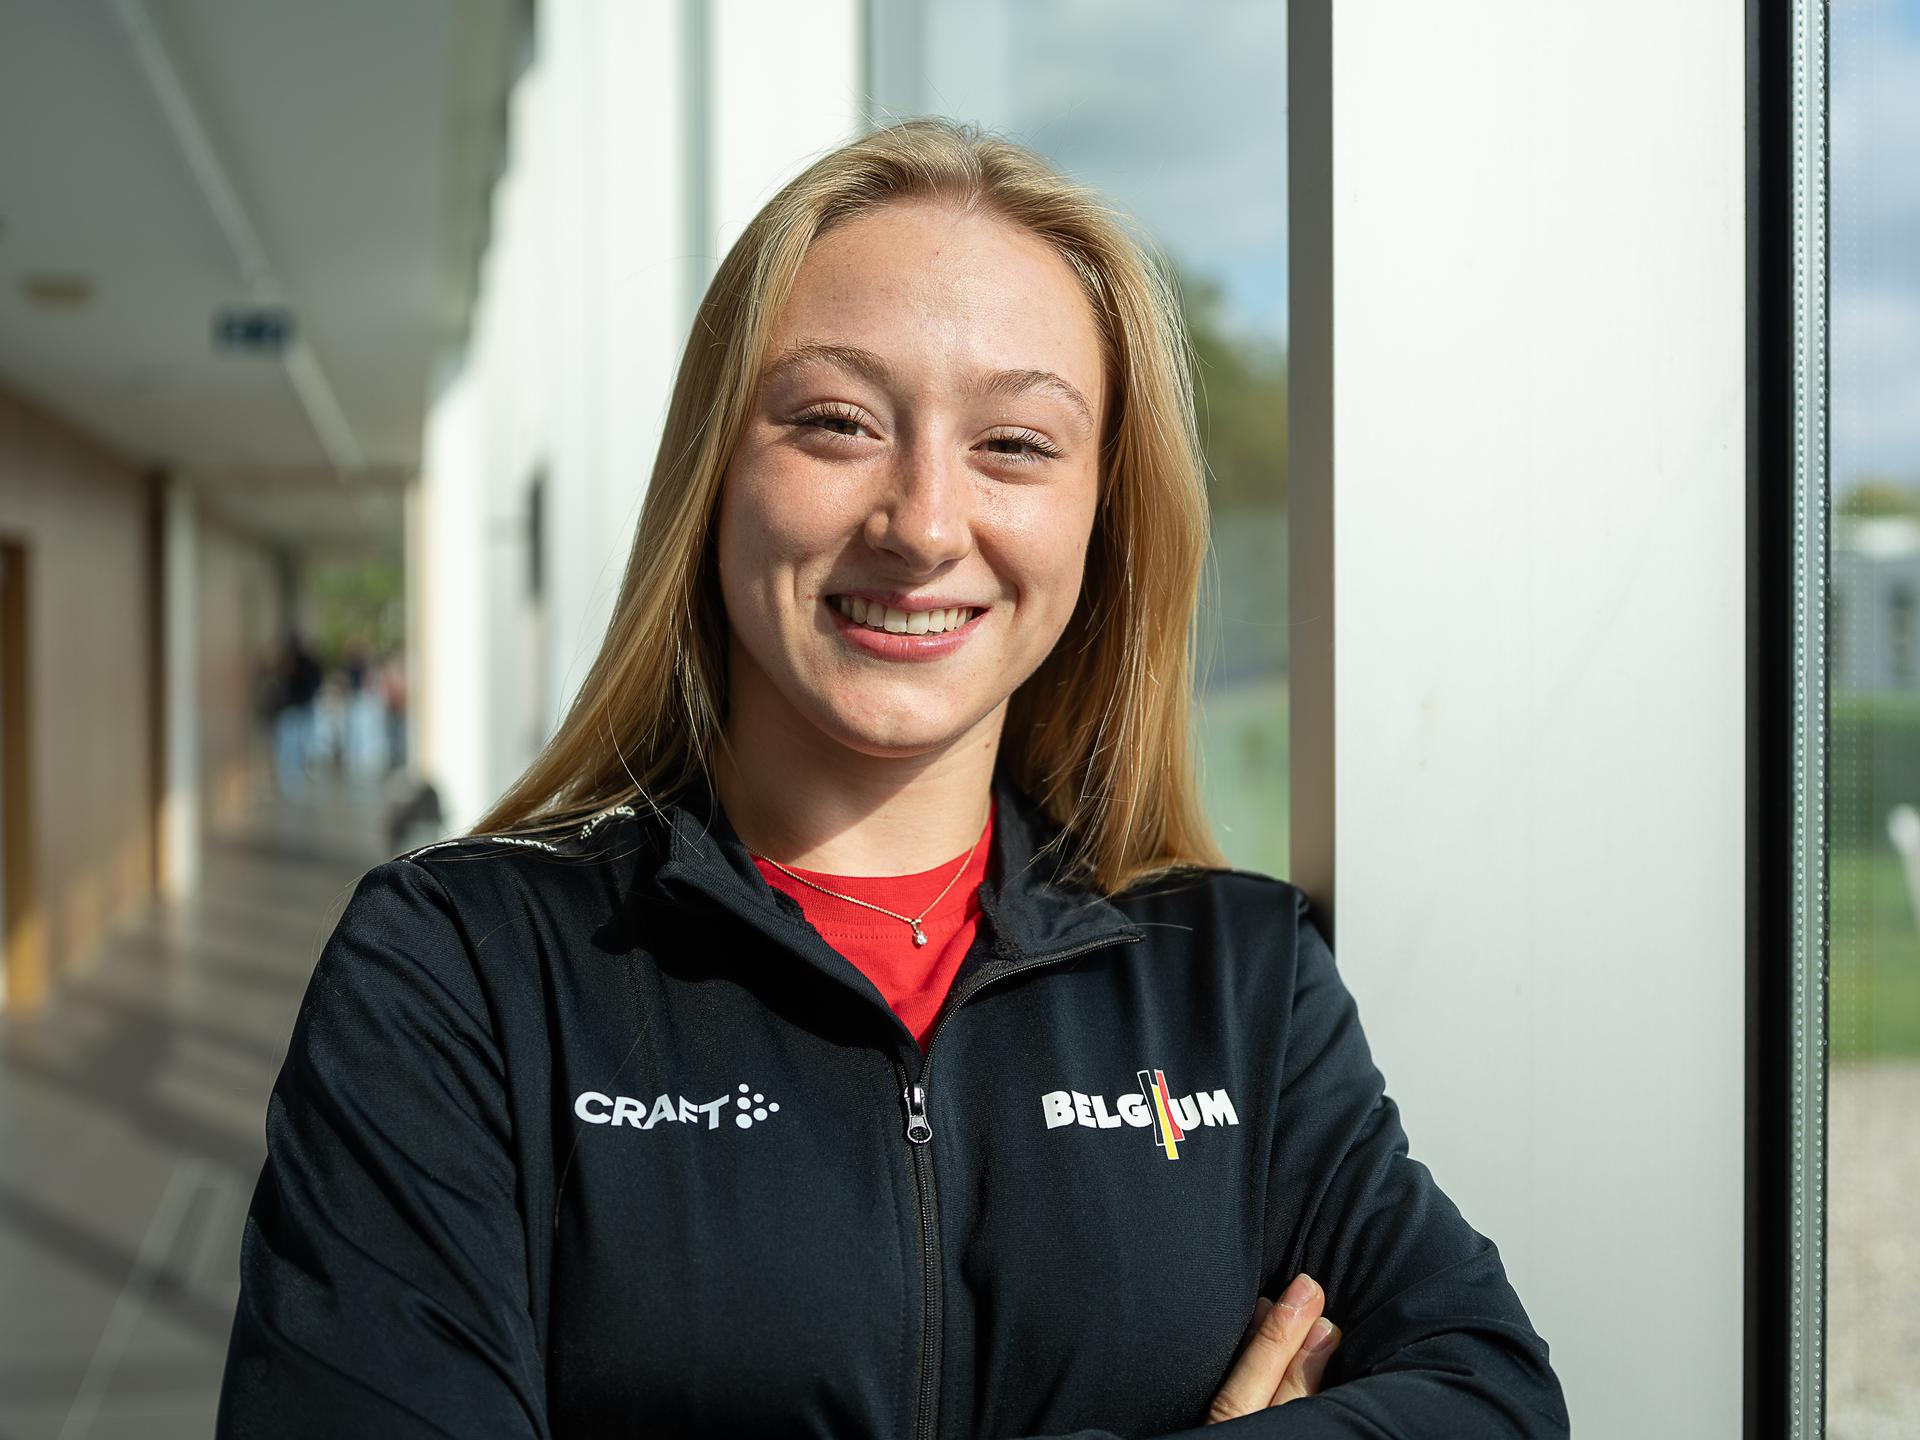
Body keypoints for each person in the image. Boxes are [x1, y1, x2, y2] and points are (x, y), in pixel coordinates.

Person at [216, 118, 1569, 1437]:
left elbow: (1492, 1394)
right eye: (837, 423)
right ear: (715, 478)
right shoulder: (461, 973)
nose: (923, 522)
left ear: (1105, 513)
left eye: (1017, 444)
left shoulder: (1238, 978)